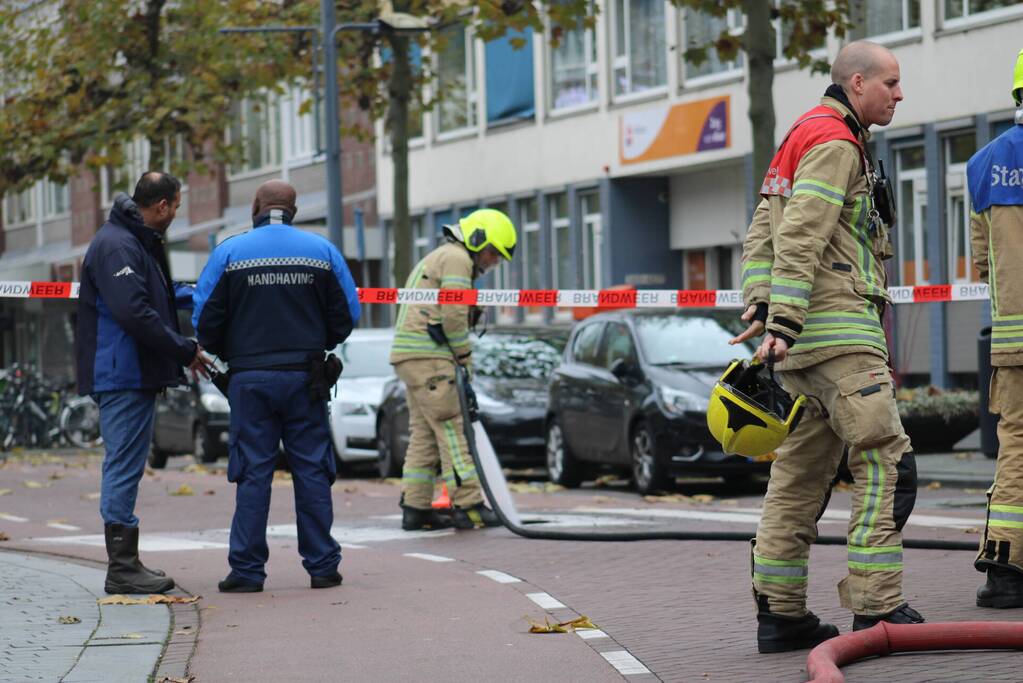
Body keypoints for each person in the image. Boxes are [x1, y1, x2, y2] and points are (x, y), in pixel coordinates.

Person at [730, 40, 924, 653]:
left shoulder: (798, 136)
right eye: (890, 83)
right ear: (857, 82)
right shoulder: (836, 143)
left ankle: (780, 615)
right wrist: (783, 319)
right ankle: (878, 605)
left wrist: (766, 308)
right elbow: (802, 234)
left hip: (801, 354)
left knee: (797, 479)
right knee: (885, 463)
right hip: (842, 341)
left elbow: (762, 235)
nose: (899, 95)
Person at [192, 180, 360, 593]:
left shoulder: (229, 253)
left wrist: (232, 351)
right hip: (305, 379)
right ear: (294, 209)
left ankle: (247, 571)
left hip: (249, 381)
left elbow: (204, 320)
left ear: (256, 206)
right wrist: (317, 342)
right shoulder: (322, 251)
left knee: (253, 472)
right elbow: (348, 314)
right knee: (312, 470)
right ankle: (323, 566)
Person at [77, 172, 206, 594]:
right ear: (162, 205)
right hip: (124, 373)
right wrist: (184, 349)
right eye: (177, 205)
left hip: (127, 371)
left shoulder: (130, 240)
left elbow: (153, 296)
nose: (177, 213)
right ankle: (122, 568)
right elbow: (135, 312)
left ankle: (125, 564)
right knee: (123, 465)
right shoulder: (119, 245)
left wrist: (204, 293)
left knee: (126, 464)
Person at [390, 209, 516, 531]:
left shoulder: (443, 256)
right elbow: (453, 315)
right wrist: (464, 357)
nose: (493, 262)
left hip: (411, 357)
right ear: (477, 239)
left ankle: (416, 508)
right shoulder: (458, 259)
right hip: (430, 357)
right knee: (452, 430)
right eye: (492, 253)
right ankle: (469, 507)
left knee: (424, 435)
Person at [969, 48, 1023, 609]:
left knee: (1017, 448)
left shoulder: (984, 163)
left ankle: (1005, 570)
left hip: (1013, 342)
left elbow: (981, 265)